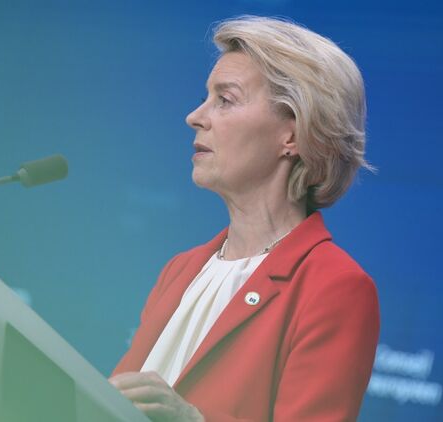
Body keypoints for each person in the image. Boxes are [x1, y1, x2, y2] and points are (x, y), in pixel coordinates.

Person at [110, 15, 380, 422]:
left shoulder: (334, 288)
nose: (195, 116)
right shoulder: (181, 269)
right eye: (206, 98)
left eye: (225, 99)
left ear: (293, 135)